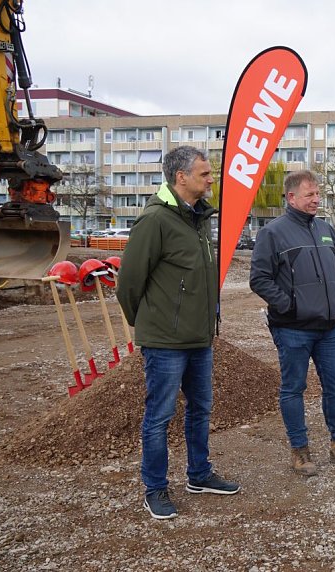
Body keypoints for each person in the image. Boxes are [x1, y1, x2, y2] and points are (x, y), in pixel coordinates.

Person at [117, 146, 240, 520]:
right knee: (159, 416)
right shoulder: (155, 220)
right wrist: (152, 324)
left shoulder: (199, 219)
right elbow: (128, 284)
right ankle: (154, 488)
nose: (211, 179)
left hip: (199, 339)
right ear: (180, 177)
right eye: (204, 174)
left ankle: (199, 475)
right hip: (165, 343)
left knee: (200, 410)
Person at [250, 170, 335, 476]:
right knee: (293, 388)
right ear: (291, 197)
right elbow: (259, 279)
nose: (316, 199)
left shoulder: (325, 229)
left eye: (318, 194)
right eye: (310, 194)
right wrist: (289, 306)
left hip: (329, 328)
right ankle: (299, 451)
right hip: (292, 329)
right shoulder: (273, 233)